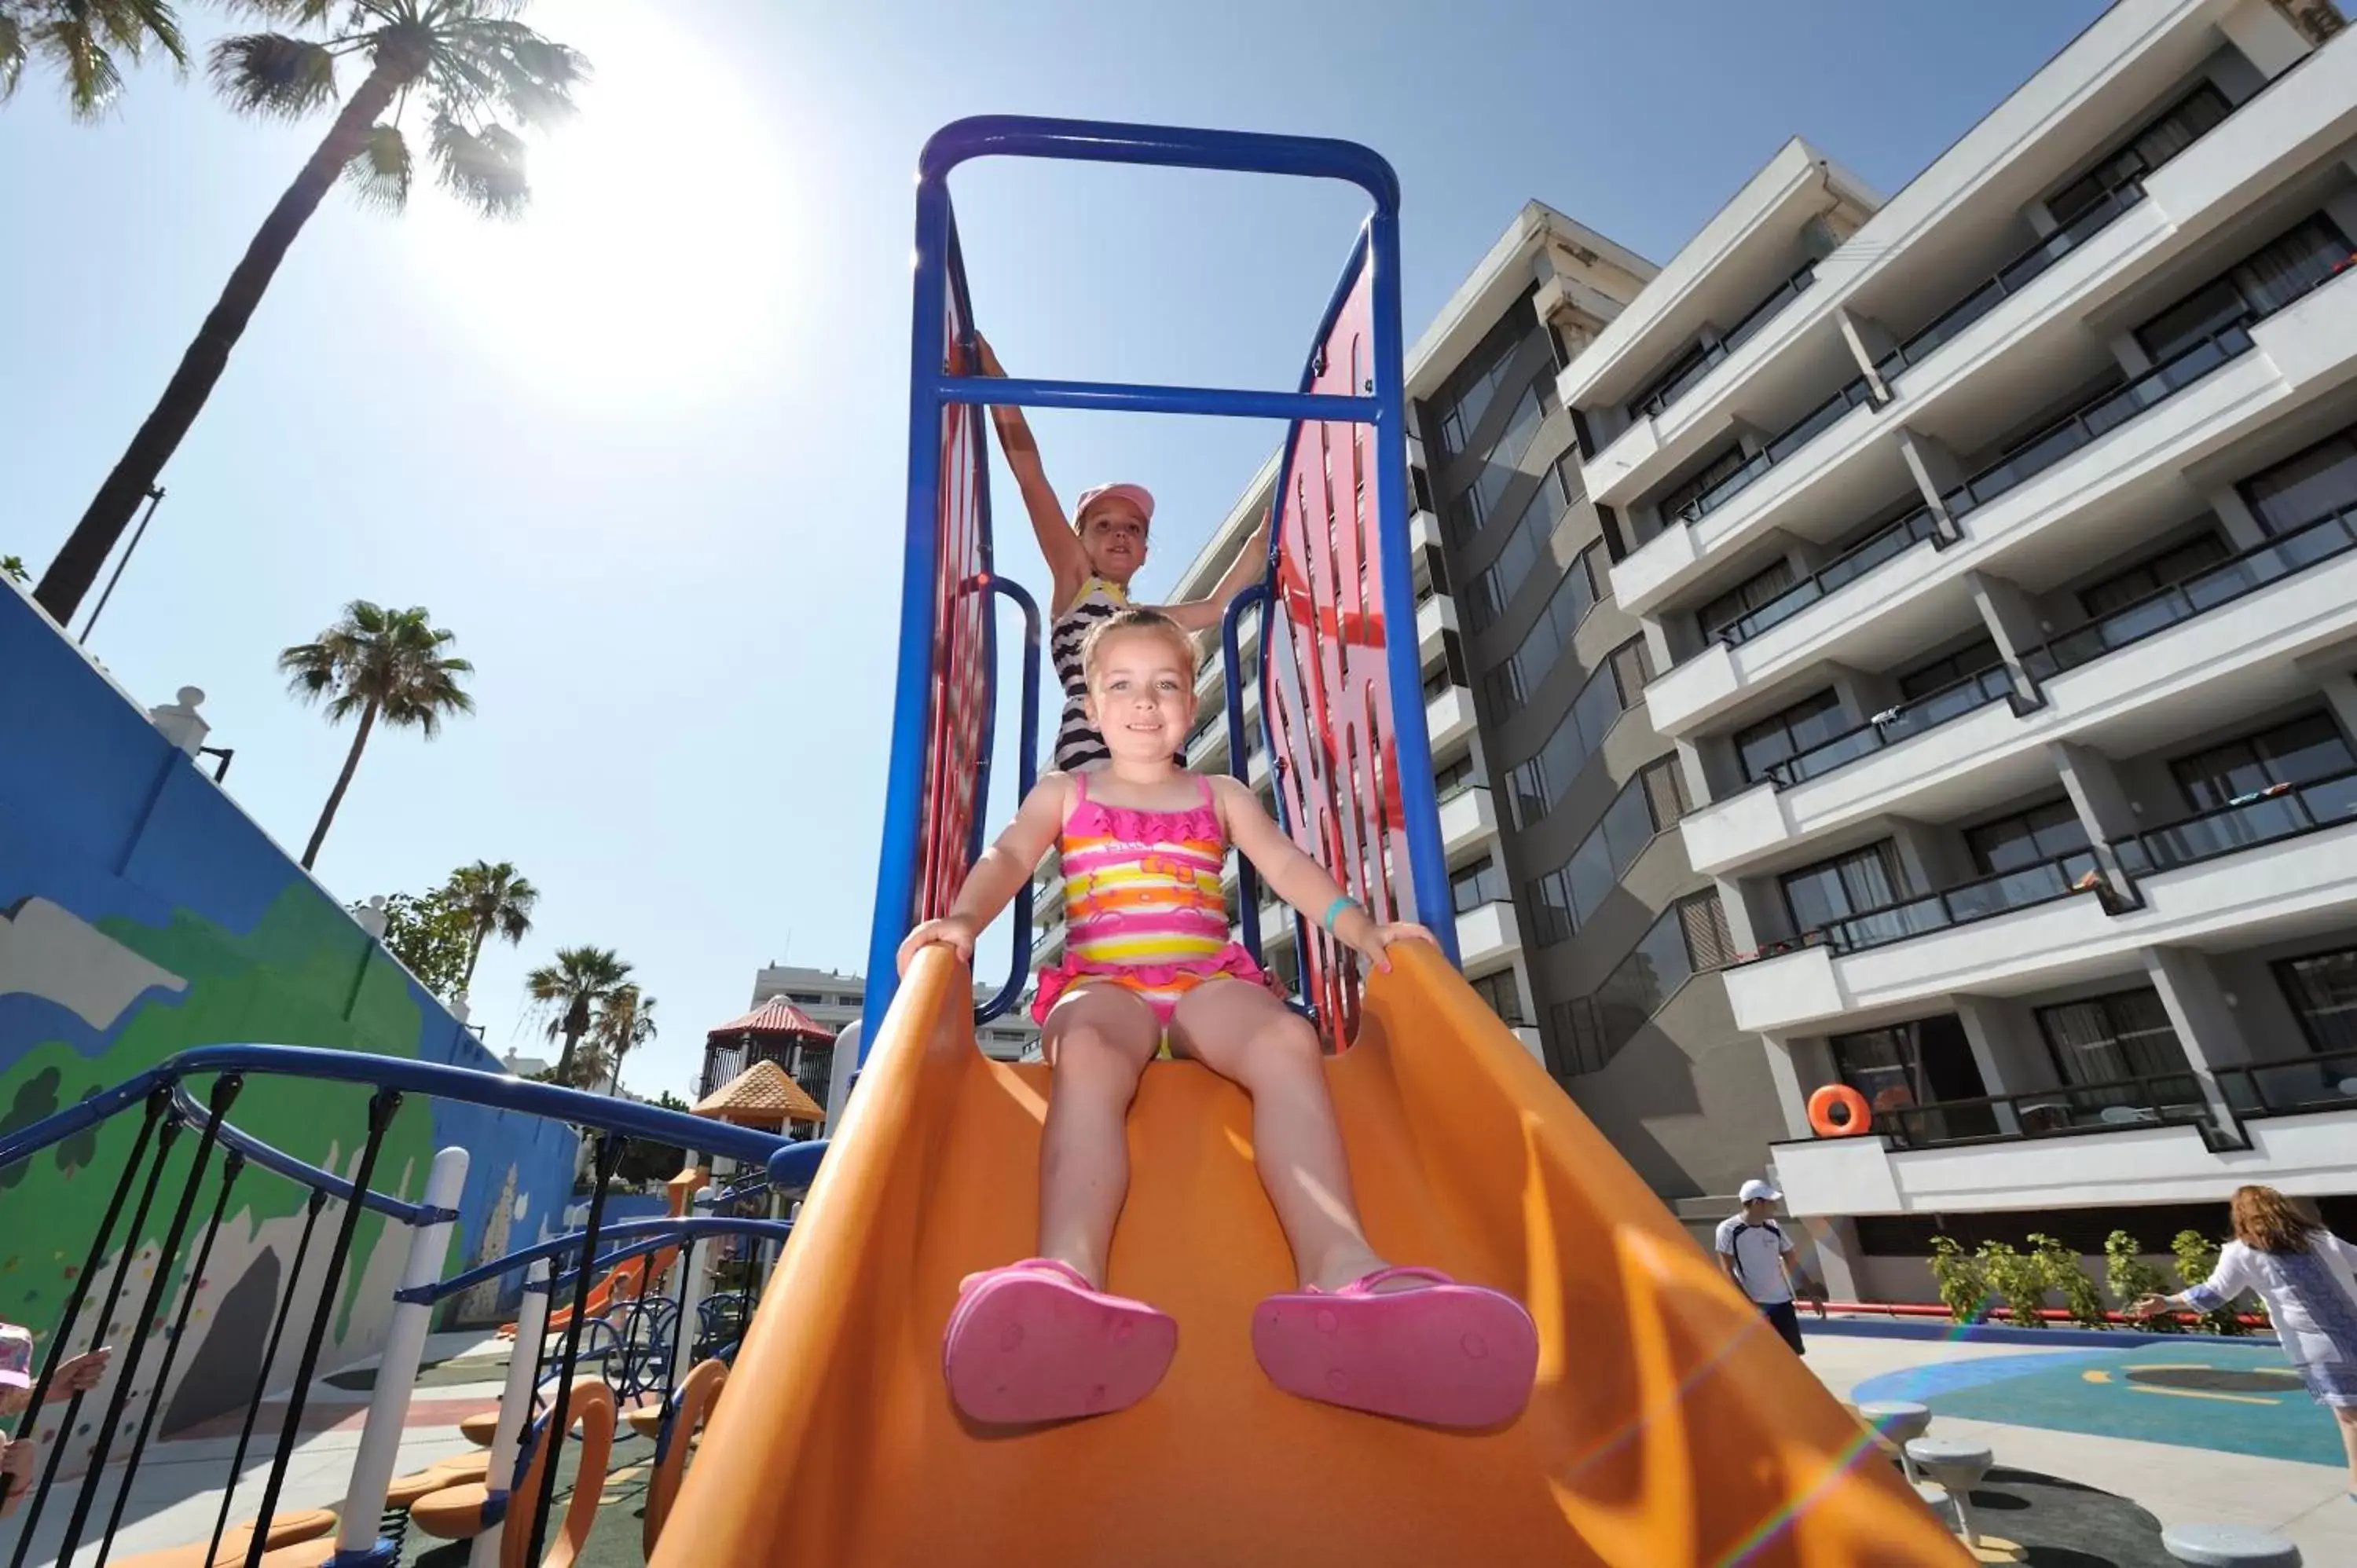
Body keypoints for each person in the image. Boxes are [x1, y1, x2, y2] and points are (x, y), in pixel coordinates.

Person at [899, 608, 1539, 1431]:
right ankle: (1066, 1271)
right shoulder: (1066, 791)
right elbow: (1010, 855)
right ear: (1091, 707)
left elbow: (1286, 866)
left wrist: (1363, 929)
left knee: (1284, 1037)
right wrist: (963, 921)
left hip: (1205, 979)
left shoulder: (1220, 793)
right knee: (1088, 1050)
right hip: (1106, 983)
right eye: (1121, 685)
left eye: (1165, 684)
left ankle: (1342, 1264)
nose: (1144, 701)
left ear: (1190, 705)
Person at [971, 335, 1270, 773]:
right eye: (1103, 526)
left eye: (1133, 529)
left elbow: (1216, 607)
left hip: (1157, 768)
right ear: (1080, 541)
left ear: (1145, 553)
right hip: (1096, 765)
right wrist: (996, 380)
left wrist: (1260, 542)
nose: (1119, 535)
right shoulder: (1076, 581)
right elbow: (1031, 477)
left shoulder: (1142, 619)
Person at [2131, 1184, 2357, 1497]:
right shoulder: (2322, 1240)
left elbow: (2214, 1294)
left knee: (2350, 1417)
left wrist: (2167, 1302)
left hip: (2320, 1346)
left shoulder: (2242, 1252)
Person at [1715, 1178, 1829, 1356]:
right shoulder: (1729, 1230)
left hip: (1783, 1304)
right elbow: (1728, 1271)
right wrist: (1751, 1308)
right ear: (1756, 1203)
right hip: (1755, 1306)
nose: (1775, 1206)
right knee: (1766, 1358)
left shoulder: (1774, 1227)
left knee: (1793, 1355)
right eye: (1771, 1202)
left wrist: (1812, 1292)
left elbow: (1792, 1262)